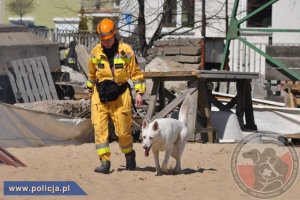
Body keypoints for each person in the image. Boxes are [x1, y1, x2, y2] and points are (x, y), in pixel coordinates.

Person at [86, 18, 145, 174]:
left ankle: (129, 154)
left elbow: (136, 73)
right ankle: (104, 161)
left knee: (123, 132)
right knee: (99, 129)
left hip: (120, 96)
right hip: (100, 96)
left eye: (109, 39)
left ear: (114, 34)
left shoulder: (126, 51)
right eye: (103, 40)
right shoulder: (95, 53)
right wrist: (90, 89)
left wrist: (139, 93)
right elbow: (92, 75)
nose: (106, 42)